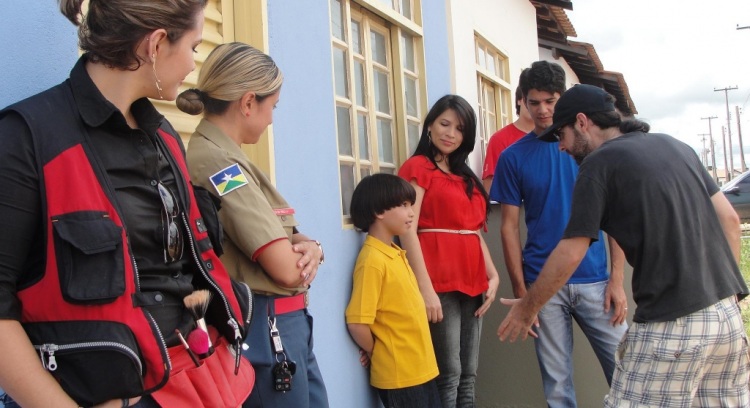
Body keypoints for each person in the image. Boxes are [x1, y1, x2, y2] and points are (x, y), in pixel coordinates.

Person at [0, 1, 256, 407]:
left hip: (200, 382)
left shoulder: (165, 137)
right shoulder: (26, 137)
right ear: (156, 45)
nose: (193, 64)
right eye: (193, 47)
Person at [499, 83, 750, 407]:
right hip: (727, 319)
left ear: (582, 122)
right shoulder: (676, 146)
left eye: (561, 134)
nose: (560, 146)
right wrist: (727, 296)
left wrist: (527, 306)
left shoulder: (597, 165)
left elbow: (571, 251)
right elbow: (729, 220)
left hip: (670, 321)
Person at [177, 42, 329, 408]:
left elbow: (290, 235)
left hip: (282, 326)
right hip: (266, 325)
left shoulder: (229, 157)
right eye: (272, 106)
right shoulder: (220, 165)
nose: (272, 118)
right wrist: (310, 252)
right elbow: (287, 269)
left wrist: (313, 247)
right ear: (248, 103)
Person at [490, 61, 628, 408]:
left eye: (550, 101)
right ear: (522, 101)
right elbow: (508, 227)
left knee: (628, 372)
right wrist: (522, 291)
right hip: (542, 284)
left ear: (562, 99)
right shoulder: (512, 157)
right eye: (533, 102)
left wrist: (617, 279)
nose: (542, 110)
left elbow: (615, 215)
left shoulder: (588, 147)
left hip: (596, 280)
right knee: (557, 386)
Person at [398, 94, 500, 407]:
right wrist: (425, 289)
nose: (451, 134)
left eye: (460, 129)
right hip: (437, 279)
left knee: (469, 373)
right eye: (445, 124)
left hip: (473, 280)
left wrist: (493, 275)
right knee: (449, 372)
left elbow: (472, 231)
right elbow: (406, 229)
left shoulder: (466, 176)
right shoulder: (418, 167)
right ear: (429, 125)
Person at [345, 173, 440, 408]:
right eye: (404, 205)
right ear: (379, 211)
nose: (411, 213)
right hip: (400, 376)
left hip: (422, 370)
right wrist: (376, 351)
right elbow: (357, 323)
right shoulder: (372, 260)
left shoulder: (394, 252)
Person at [481, 79, 534, 192]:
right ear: (519, 100)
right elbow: (489, 187)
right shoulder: (499, 139)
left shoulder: (556, 139)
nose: (534, 105)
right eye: (530, 99)